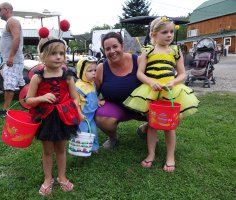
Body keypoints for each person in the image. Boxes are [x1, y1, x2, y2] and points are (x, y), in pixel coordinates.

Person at [123, 16, 199, 172]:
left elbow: (182, 74)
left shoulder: (175, 51)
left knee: (170, 126)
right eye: (165, 32)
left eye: (171, 31)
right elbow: (140, 73)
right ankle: (151, 154)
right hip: (152, 91)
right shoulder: (147, 51)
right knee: (152, 124)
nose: (169, 35)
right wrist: (151, 82)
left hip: (171, 92)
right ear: (153, 34)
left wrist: (175, 82)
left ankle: (170, 157)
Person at [26, 36, 83, 196]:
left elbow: (74, 97)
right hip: (46, 118)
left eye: (62, 53)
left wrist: (77, 110)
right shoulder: (38, 77)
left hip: (63, 116)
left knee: (61, 148)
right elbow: (28, 100)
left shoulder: (68, 76)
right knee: (47, 150)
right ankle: (48, 178)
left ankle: (62, 176)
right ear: (43, 55)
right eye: (53, 54)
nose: (59, 57)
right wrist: (41, 98)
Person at [94, 32, 147, 150]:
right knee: (101, 117)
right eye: (107, 49)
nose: (112, 51)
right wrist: (96, 99)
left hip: (140, 107)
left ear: (122, 46)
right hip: (116, 107)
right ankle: (113, 138)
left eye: (115, 46)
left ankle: (144, 130)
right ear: (104, 51)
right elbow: (94, 90)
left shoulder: (138, 61)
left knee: (163, 114)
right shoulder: (101, 68)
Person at [0, 2, 25, 117]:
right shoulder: (10, 22)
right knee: (21, 85)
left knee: (9, 86)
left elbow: (16, 38)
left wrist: (11, 57)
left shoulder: (12, 21)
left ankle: (5, 111)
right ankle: (31, 103)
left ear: (6, 9)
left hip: (13, 61)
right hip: (13, 60)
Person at [75, 57, 105, 153]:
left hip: (91, 116)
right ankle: (81, 149)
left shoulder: (92, 84)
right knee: (83, 133)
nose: (94, 73)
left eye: (95, 70)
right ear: (82, 71)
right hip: (82, 116)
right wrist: (79, 113)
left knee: (93, 131)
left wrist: (98, 101)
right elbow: (75, 102)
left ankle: (94, 148)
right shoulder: (78, 87)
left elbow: (93, 95)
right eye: (90, 71)